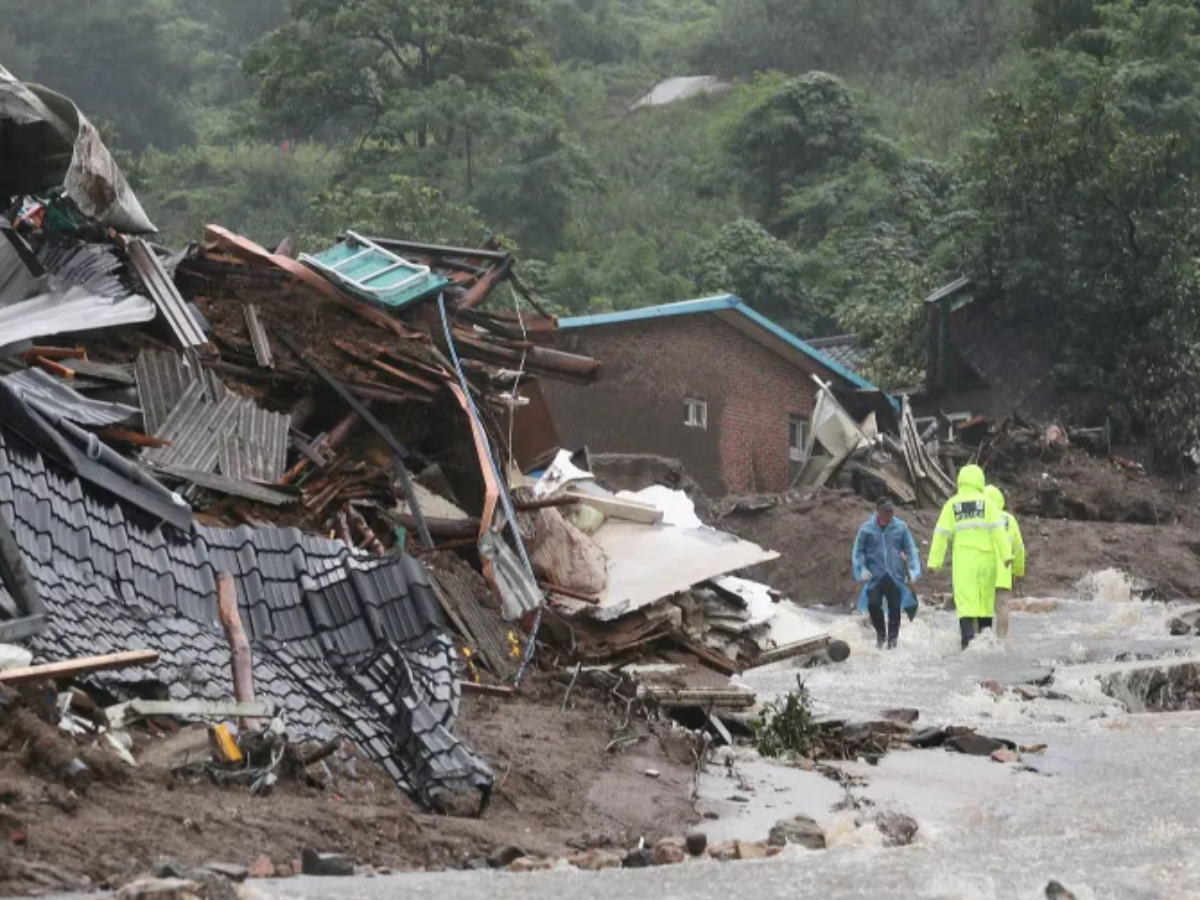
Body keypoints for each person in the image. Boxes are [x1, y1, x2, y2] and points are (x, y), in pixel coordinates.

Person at [927, 464, 1012, 649]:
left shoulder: (952, 505)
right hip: (987, 561)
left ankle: (967, 642)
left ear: (961, 481)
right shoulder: (987, 504)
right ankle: (987, 642)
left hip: (964, 562)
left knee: (966, 602)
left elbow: (941, 534)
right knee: (985, 601)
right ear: (980, 481)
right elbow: (999, 531)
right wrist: (1006, 555)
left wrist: (935, 562)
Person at [851, 497, 922, 649]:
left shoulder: (901, 528)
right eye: (886, 511)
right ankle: (881, 635)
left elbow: (911, 550)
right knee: (873, 605)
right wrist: (862, 569)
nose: (890, 514)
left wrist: (913, 572)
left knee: (895, 608)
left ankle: (892, 642)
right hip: (875, 576)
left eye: (891, 511)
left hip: (894, 575)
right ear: (878, 511)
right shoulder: (866, 529)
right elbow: (858, 551)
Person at [985, 483, 1026, 639]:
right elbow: (1019, 548)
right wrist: (1018, 571)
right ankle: (1001, 641)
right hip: (1003, 575)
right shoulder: (1010, 520)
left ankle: (982, 640)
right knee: (1002, 610)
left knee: (982, 610)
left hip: (982, 574)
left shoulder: (980, 519)